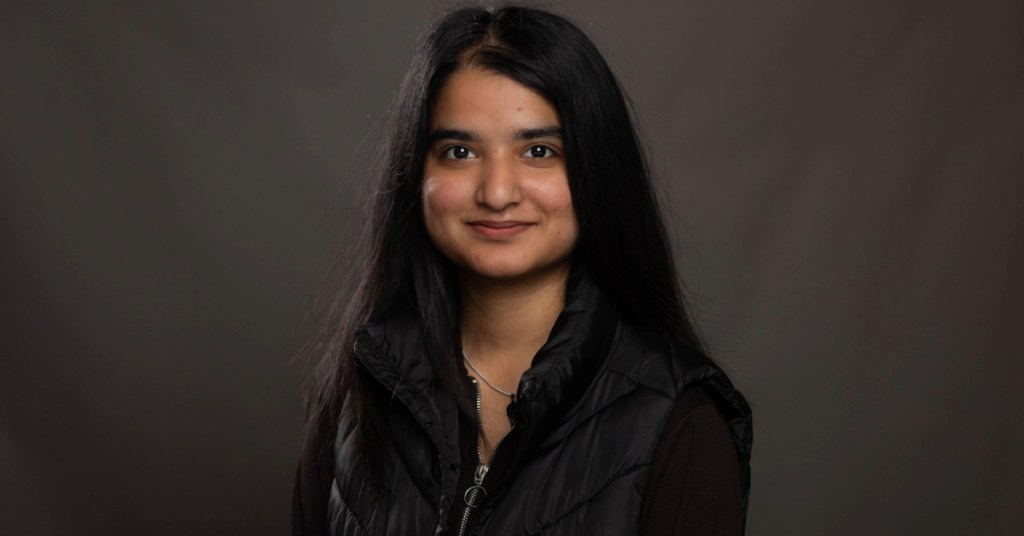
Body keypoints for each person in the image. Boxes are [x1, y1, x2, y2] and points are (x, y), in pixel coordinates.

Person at [293, 5, 752, 535]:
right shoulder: (356, 397)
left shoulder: (681, 421)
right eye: (459, 151)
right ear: (415, 174)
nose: (497, 192)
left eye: (538, 150)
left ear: (597, 170)